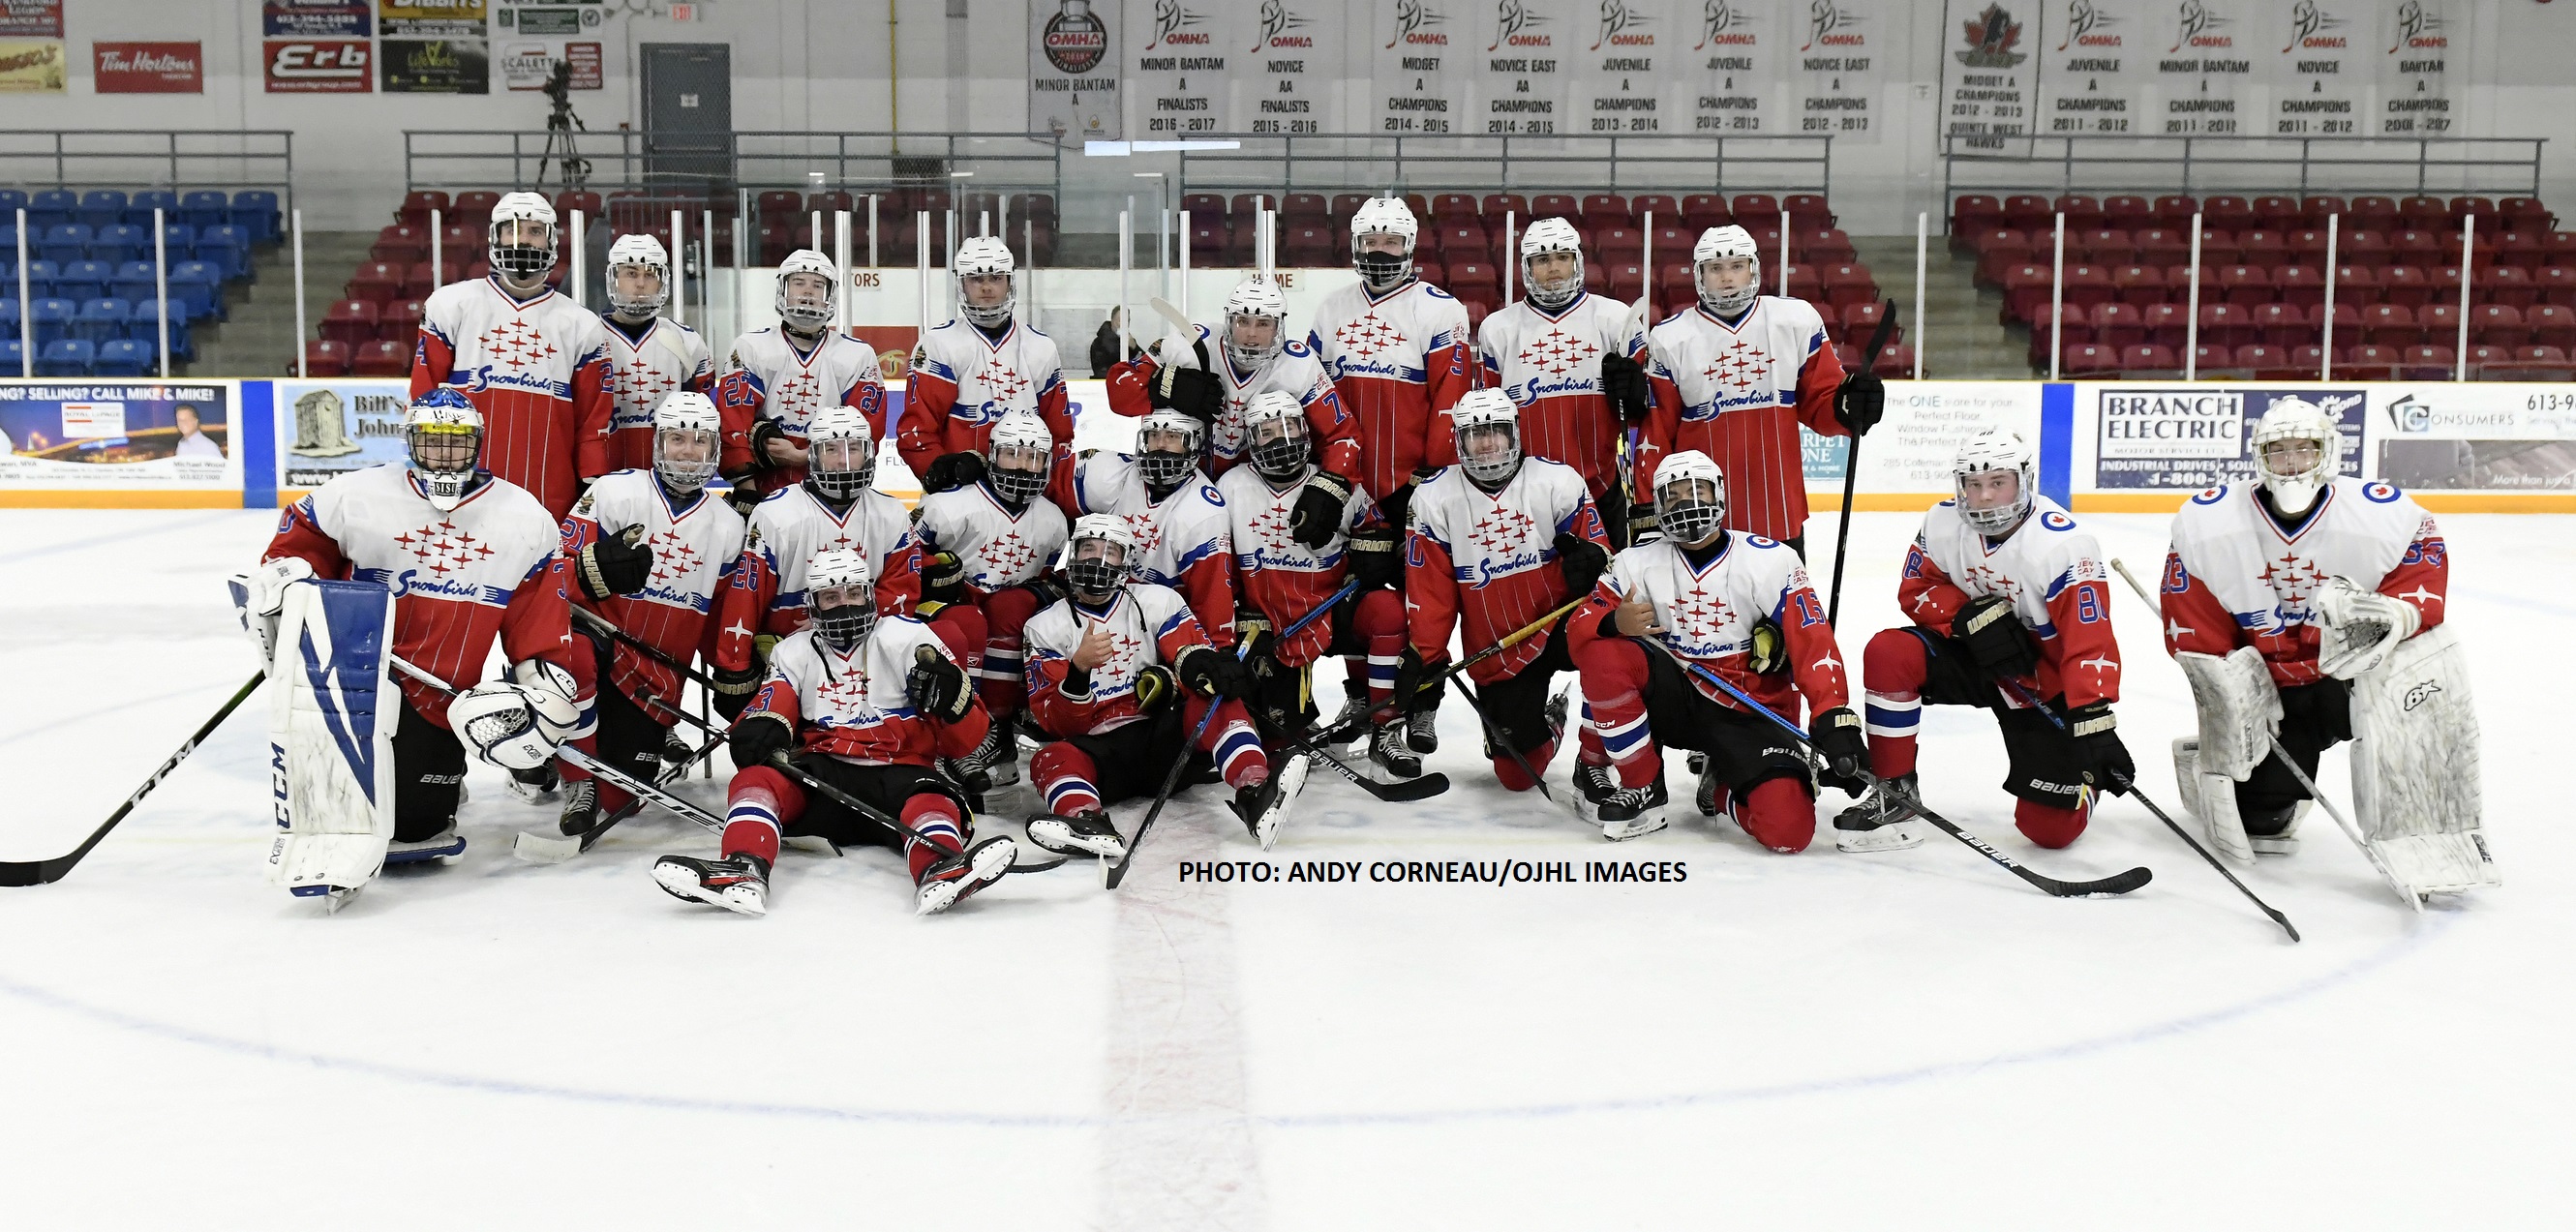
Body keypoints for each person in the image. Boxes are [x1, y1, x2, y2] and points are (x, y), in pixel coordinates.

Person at [244, 388, 591, 867]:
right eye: (432, 441)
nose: (444, 455)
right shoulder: (358, 494)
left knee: (413, 827)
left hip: (441, 698)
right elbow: (303, 538)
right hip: (355, 678)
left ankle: (440, 774)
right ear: (410, 440)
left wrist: (541, 682)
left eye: (457, 442)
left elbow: (536, 617)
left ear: (477, 444)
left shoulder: (522, 517)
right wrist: (290, 573)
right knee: (338, 802)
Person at [653, 547, 1015, 917]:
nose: (845, 605)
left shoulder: (909, 638)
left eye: (853, 593)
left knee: (932, 800)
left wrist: (954, 701)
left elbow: (966, 740)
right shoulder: (793, 651)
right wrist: (760, 727)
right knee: (756, 778)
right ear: (813, 606)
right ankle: (744, 869)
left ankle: (940, 869)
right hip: (824, 777)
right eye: (830, 597)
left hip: (901, 774)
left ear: (870, 595)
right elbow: (774, 702)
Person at [2160, 397, 2449, 859]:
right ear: (2260, 457)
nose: (2291, 463)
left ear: (2327, 453)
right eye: (2279, 451)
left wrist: (2401, 613)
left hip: (2350, 676)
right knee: (2265, 820)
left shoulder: (2379, 516)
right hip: (2271, 688)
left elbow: (2422, 558)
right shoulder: (2209, 523)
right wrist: (2233, 694)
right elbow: (2194, 616)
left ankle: (2423, 825)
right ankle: (2216, 761)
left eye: (2304, 449)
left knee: (2407, 726)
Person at [1840, 428, 2129, 854]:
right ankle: (1895, 791)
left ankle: (2080, 788)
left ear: (2023, 480)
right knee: (1889, 652)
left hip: (2039, 681)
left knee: (2048, 831)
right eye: (1973, 485)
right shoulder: (1941, 522)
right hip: (1973, 659)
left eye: (1998, 482)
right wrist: (1964, 618)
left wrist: (2094, 718)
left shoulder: (2064, 545)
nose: (1985, 497)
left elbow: (2090, 641)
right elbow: (1916, 587)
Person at [1565, 450, 1865, 846]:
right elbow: (1577, 635)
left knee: (1788, 831)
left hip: (1745, 706)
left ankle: (1722, 788)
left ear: (1720, 495)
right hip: (1673, 698)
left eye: (1698, 491)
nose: (1687, 503)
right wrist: (1612, 622)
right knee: (1604, 655)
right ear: (1657, 506)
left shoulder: (1771, 560)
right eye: (1673, 496)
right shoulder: (1634, 563)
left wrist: (1832, 714)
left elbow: (1813, 641)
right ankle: (1643, 786)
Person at [1020, 515, 1300, 851]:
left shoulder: (1157, 600)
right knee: (1049, 757)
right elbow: (1058, 724)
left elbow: (1189, 656)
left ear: (1126, 561)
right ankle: (1084, 820)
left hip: (1161, 743)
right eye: (1088, 548)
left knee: (1213, 699)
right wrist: (1079, 671)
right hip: (1100, 753)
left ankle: (1255, 789)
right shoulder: (1043, 627)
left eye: (1110, 552)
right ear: (1073, 555)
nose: (1097, 559)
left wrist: (1201, 671)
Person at [1305, 195, 1475, 735]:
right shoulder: (1332, 308)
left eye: (1392, 242)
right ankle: (1362, 696)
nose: (1380, 252)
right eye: (1370, 243)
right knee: (1355, 593)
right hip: (1347, 485)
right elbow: (1314, 392)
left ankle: (1421, 703)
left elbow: (1450, 401)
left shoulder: (1440, 310)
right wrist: (1326, 477)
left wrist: (1427, 481)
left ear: (1410, 245)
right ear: (1355, 247)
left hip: (1411, 486)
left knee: (1422, 599)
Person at [551, 391, 747, 835]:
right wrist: (590, 568)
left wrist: (733, 669)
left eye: (700, 441)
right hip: (598, 640)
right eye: (677, 438)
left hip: (657, 672)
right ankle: (576, 777)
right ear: (657, 442)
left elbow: (722, 618)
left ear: (715, 449)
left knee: (625, 799)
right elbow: (551, 575)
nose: (688, 451)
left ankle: (590, 758)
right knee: (569, 655)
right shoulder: (612, 492)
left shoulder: (729, 525)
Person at [1400, 390, 1614, 791]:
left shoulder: (1556, 480)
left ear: (1515, 433)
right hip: (1500, 646)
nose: (1488, 443)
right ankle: (1549, 722)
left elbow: (1608, 565)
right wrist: (1427, 658)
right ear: (1458, 441)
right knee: (1517, 776)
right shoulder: (1434, 497)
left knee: (1611, 647)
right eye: (1476, 434)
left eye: (1497, 431)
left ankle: (1595, 755)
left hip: (1562, 624)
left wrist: (1594, 563)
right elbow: (1431, 591)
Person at [1633, 225, 1883, 552]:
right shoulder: (1670, 338)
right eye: (1715, 269)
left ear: (1753, 268)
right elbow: (1657, 434)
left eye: (1737, 267)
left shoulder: (1795, 321)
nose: (1726, 278)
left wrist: (1847, 406)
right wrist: (1651, 512)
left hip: (1778, 508)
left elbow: (1820, 402)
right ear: (1698, 274)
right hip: (1696, 514)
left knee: (1785, 603)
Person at [1106, 276, 1367, 551]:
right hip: (1179, 488)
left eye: (1264, 323)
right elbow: (1119, 391)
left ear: (1280, 326)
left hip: (1252, 496)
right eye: (1243, 322)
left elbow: (1342, 435)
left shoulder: (1298, 365)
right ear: (1228, 321)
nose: (1252, 334)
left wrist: (1329, 485)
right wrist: (1164, 386)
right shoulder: (1189, 343)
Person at [706, 405, 936, 713]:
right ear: (812, 455)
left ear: (870, 453)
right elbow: (747, 596)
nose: (843, 460)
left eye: (853, 448)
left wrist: (842, 625)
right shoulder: (776, 514)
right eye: (831, 449)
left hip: (867, 652)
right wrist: (735, 665)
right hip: (791, 654)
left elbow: (901, 593)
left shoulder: (891, 513)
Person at [1219, 391, 1408, 762]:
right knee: (1278, 741)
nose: (1282, 439)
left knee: (1388, 610)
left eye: (1290, 427)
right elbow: (1219, 564)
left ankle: (1381, 723)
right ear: (1250, 439)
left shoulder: (1332, 485)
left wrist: (1370, 555)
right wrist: (1239, 609)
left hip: (1331, 608)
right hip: (1266, 623)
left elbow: (1375, 527)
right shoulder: (1230, 487)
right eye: (1268, 431)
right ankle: (1291, 728)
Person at [410, 191, 616, 521]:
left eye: (534, 231)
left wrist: (591, 482)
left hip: (549, 488)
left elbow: (593, 419)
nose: (523, 241)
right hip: (463, 484)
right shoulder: (450, 305)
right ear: (496, 237)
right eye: (513, 230)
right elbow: (424, 397)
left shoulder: (582, 325)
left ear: (550, 241)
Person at [911, 409, 1073, 792]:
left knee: (1013, 611)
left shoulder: (1052, 520)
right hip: (951, 610)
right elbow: (906, 559)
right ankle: (951, 731)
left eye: (1033, 458)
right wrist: (936, 574)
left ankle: (995, 726)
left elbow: (1045, 577)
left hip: (1001, 615)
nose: (1022, 468)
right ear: (992, 455)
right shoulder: (949, 506)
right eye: (1012, 455)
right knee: (969, 624)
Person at [1475, 217, 1649, 546]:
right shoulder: (1498, 329)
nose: (1553, 267)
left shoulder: (1614, 319)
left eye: (1562, 257)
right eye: (1542, 260)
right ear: (1527, 266)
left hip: (1604, 483)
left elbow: (1644, 411)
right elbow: (1490, 420)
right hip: (1525, 491)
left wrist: (1635, 396)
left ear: (1577, 261)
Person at [898, 236, 1073, 496]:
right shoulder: (939, 345)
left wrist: (1056, 497)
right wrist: (944, 477)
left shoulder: (1041, 348)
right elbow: (917, 432)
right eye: (976, 279)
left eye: (996, 278)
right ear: (962, 285)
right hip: (959, 496)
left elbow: (1059, 436)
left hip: (1027, 495)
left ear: (1010, 282)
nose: (987, 288)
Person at [715, 248, 887, 503]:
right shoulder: (752, 347)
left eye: (818, 285)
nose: (808, 292)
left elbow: (865, 434)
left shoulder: (856, 355)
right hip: (764, 489)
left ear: (831, 295)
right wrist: (746, 487)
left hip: (834, 490)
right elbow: (733, 423)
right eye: (798, 283)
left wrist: (804, 456)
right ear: (782, 290)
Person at [1063, 406, 1236, 646]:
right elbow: (1047, 490)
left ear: (1194, 445)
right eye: (1153, 436)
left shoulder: (1202, 513)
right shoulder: (1115, 473)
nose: (1160, 445)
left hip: (1156, 626)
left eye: (1173, 437)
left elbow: (1211, 600)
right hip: (1094, 600)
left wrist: (1212, 652)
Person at [595, 233, 716, 472]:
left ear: (663, 282)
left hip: (669, 476)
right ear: (613, 278)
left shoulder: (687, 340)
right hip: (602, 472)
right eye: (631, 273)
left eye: (650, 275)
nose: (640, 283)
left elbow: (706, 418)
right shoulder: (588, 334)